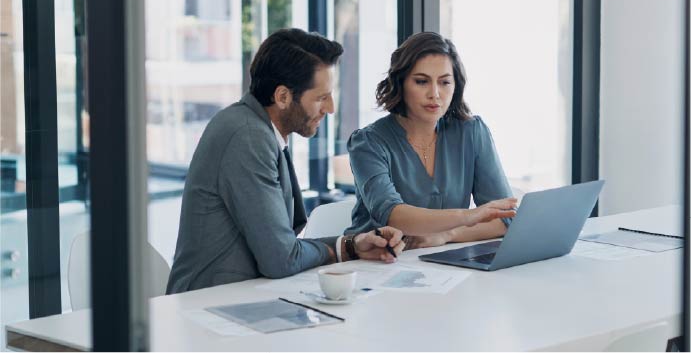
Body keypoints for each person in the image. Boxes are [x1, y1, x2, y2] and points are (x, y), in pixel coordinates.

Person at [167, 28, 405, 294]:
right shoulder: (247, 137)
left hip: (244, 297)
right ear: (282, 97)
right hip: (210, 306)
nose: (330, 109)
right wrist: (341, 249)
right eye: (321, 98)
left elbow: (283, 249)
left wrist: (350, 245)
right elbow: (281, 259)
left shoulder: (256, 128)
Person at [345, 32, 517, 249]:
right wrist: (468, 216)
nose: (435, 93)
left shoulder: (471, 132)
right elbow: (392, 214)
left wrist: (447, 234)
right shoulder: (368, 143)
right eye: (421, 81)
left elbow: (506, 218)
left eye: (445, 82)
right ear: (401, 83)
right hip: (374, 263)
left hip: (442, 265)